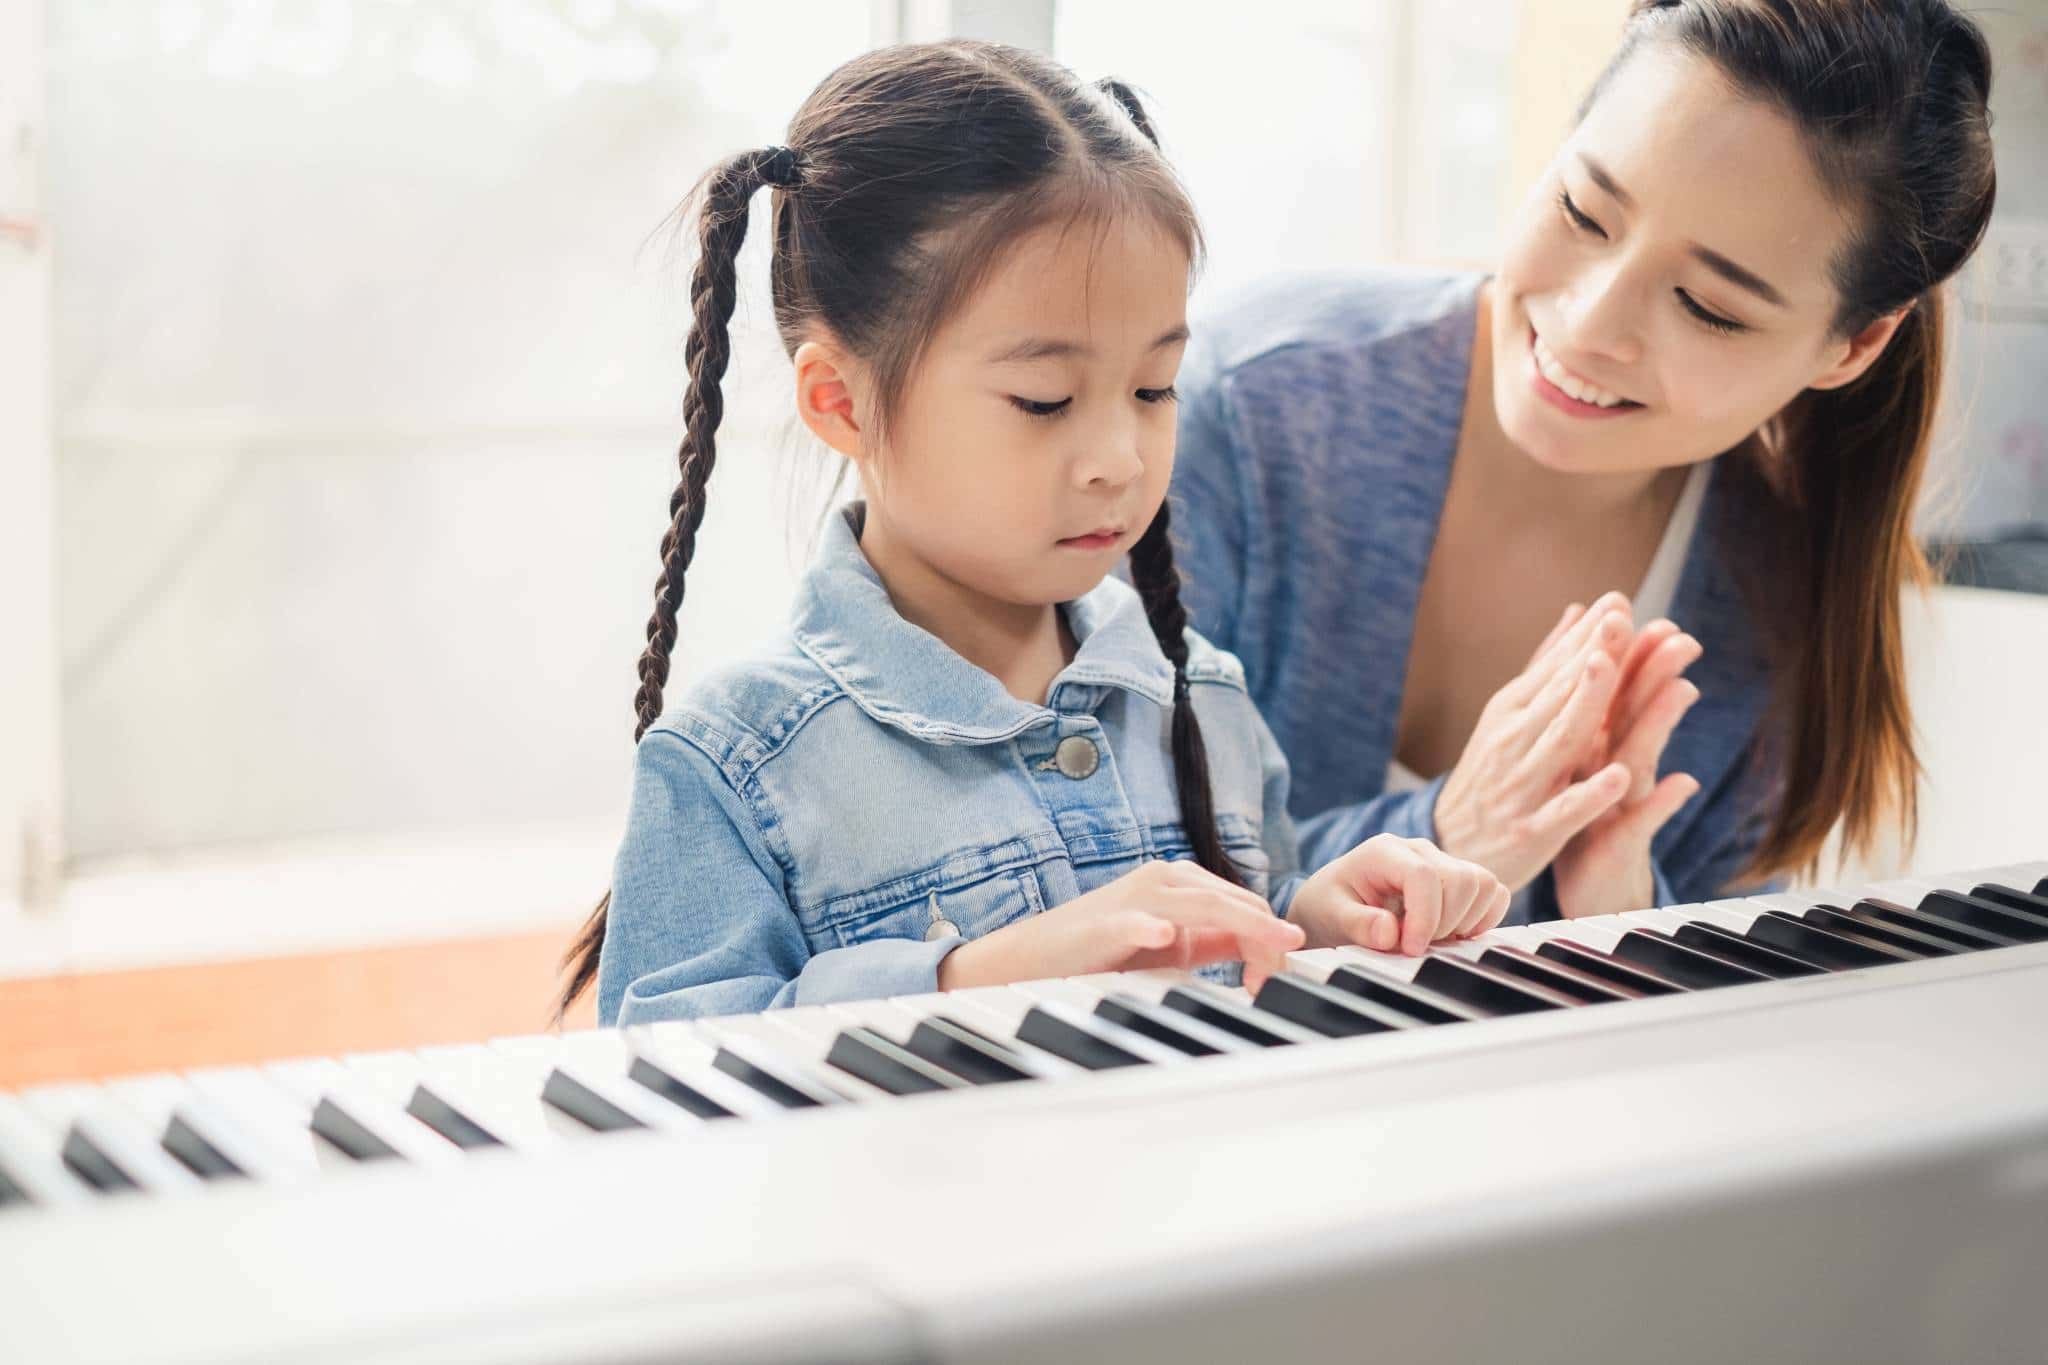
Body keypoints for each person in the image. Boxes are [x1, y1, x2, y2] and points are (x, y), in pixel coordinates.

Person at [556, 41, 1507, 1025]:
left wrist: (1314, 920)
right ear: (839, 399)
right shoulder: (733, 761)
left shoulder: (1203, 698)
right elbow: (665, 1070)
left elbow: (1238, 959)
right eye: (1045, 400)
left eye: (1151, 388)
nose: (1119, 457)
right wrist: (971, 979)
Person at [1171, 0, 1997, 922]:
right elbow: (1076, 897)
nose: (1590, 323)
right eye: (1583, 211)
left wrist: (1622, 911)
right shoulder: (1249, 409)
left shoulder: (1778, 593)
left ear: (1853, 345)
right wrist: (1451, 832)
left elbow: (1698, 1025)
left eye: (1709, 305)